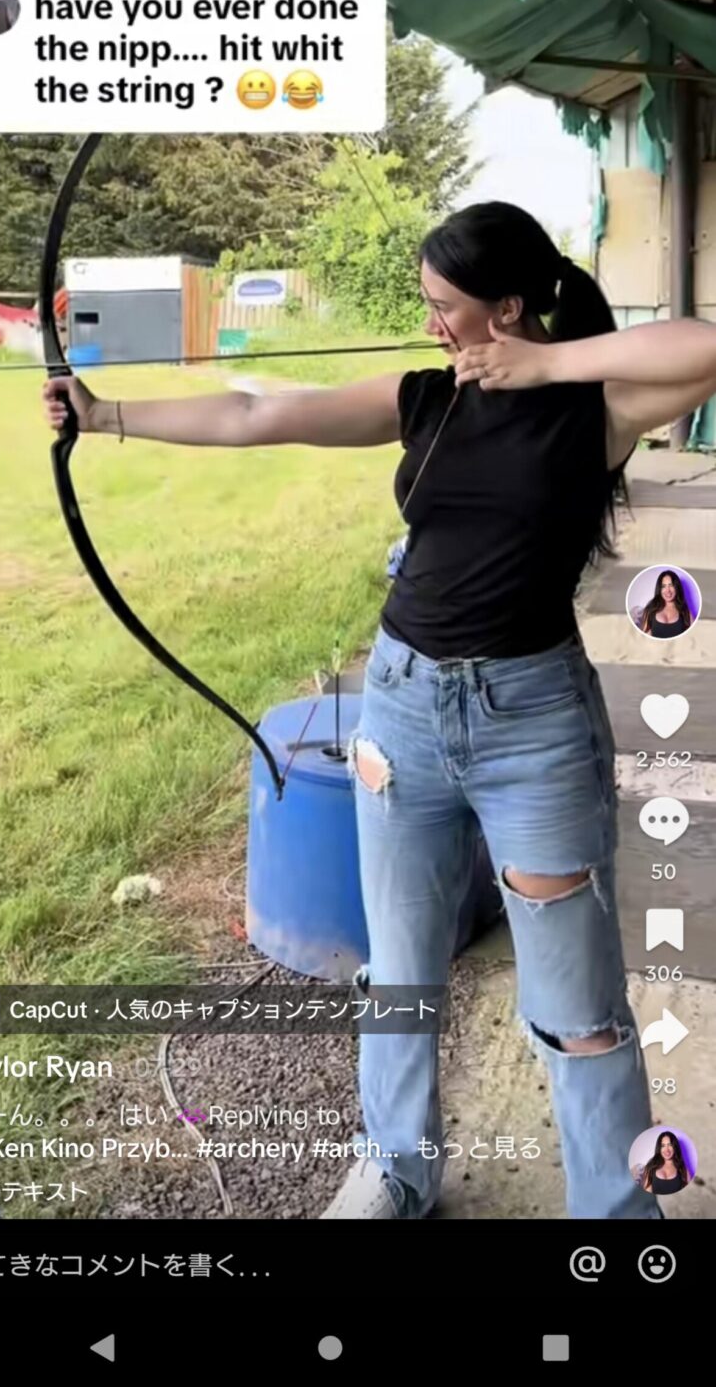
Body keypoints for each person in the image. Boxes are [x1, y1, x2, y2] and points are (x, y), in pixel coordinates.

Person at [43, 200, 716, 1222]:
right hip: (400, 717)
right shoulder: (427, 398)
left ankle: (616, 1213)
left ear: (509, 307)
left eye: (447, 304)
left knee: (575, 1004)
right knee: (398, 974)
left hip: (531, 729)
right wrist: (105, 416)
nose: (431, 321)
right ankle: (397, 1173)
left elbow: (705, 345)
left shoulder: (600, 406)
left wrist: (545, 365)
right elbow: (262, 414)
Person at [639, 569, 692, 638]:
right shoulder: (650, 609)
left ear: (676, 587)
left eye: (671, 585)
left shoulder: (685, 611)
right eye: (663, 586)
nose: (668, 590)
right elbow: (642, 637)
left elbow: (692, 636)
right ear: (660, 589)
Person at [640, 1130, 692, 1194]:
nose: (667, 1150)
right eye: (663, 1146)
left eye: (670, 1145)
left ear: (675, 1146)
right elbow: (648, 1193)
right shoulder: (651, 1166)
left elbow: (689, 1192)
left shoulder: (682, 1168)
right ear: (659, 1148)